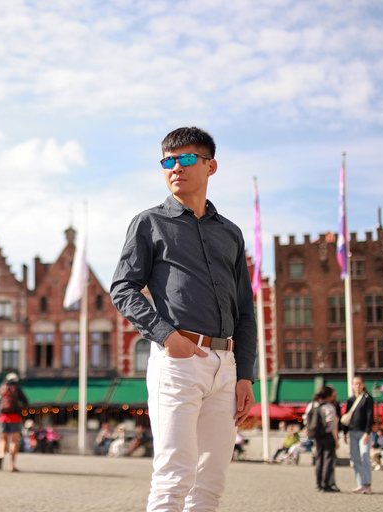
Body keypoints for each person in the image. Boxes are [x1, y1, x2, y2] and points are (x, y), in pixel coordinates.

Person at [111, 126, 257, 511]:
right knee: (174, 474)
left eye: (187, 158)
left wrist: (245, 374)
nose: (175, 167)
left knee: (211, 482)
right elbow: (123, 289)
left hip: (226, 367)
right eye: (168, 161)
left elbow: (245, 308)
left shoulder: (230, 233)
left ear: (211, 166)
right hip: (178, 361)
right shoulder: (149, 223)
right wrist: (165, 335)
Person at [341, 375, 375, 494]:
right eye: (355, 383)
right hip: (352, 431)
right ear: (352, 385)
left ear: (363, 384)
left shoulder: (367, 398)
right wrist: (344, 433)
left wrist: (367, 432)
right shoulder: (350, 399)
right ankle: (360, 483)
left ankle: (367, 484)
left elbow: (370, 416)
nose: (357, 386)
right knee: (355, 459)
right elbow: (347, 416)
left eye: (359, 383)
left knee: (365, 456)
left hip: (363, 432)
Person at [304, 387, 340, 492]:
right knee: (328, 460)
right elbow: (332, 425)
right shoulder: (329, 407)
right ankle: (326, 484)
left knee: (319, 459)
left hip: (317, 435)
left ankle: (317, 484)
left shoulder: (312, 405)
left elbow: (306, 420)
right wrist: (336, 440)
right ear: (328, 396)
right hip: (327, 435)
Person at [0, 372, 28, 472]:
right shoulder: (17, 389)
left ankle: (1, 455)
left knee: (3, 439)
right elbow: (25, 402)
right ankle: (11, 465)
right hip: (14, 417)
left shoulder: (1, 388)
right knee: (14, 440)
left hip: (2, 417)